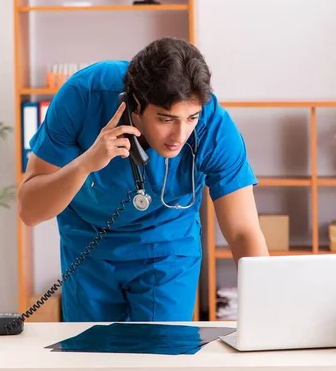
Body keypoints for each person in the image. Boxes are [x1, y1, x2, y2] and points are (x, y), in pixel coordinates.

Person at [18, 37, 269, 322]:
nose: (180, 135)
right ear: (134, 105)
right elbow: (29, 211)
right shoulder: (83, 95)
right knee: (91, 357)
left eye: (191, 118)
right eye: (166, 119)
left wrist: (266, 314)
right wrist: (85, 164)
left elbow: (242, 232)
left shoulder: (214, 125)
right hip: (89, 250)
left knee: (162, 354)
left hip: (168, 249)